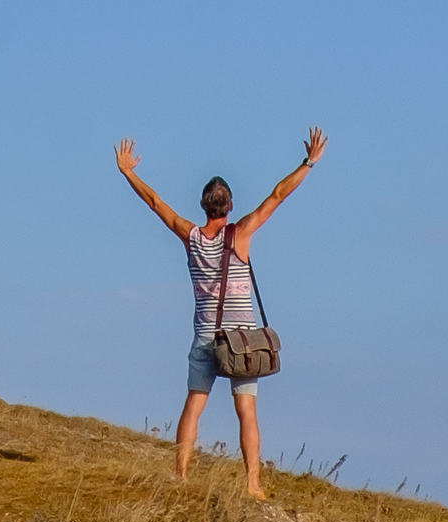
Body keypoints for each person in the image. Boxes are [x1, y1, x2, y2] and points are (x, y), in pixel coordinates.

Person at [115, 127, 327, 500]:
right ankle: (253, 485)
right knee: (246, 411)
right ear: (229, 206)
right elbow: (277, 196)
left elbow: (155, 203)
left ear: (203, 206)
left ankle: (180, 476)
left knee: (193, 406)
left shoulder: (190, 236)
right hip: (241, 341)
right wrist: (308, 162)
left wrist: (129, 172)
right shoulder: (241, 233)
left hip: (205, 338)